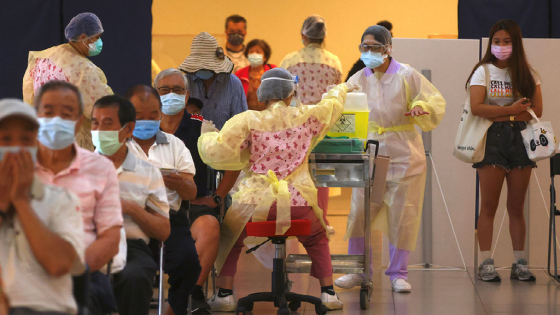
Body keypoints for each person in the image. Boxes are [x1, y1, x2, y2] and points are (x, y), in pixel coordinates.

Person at [199, 68, 358, 311]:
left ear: (263, 94)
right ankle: (328, 293)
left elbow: (219, 151)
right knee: (317, 237)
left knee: (231, 237)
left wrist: (207, 134)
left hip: (255, 205)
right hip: (298, 205)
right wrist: (343, 88)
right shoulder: (307, 116)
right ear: (291, 93)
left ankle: (224, 294)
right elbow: (332, 105)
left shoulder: (248, 120)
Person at [335, 25, 446, 293]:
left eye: (375, 47)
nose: (369, 52)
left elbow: (435, 100)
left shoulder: (407, 75)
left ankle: (398, 273)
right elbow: (336, 101)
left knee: (402, 213)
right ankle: (358, 270)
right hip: (370, 152)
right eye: (365, 47)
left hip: (403, 154)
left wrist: (422, 107)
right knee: (360, 211)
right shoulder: (358, 78)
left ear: (388, 49)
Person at [33, 81, 123, 315]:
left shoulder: (101, 168)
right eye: (49, 112)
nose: (56, 119)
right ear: (35, 116)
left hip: (82, 273)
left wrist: (75, 269)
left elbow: (111, 238)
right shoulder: (15, 165)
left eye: (66, 113)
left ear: (78, 122)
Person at [153, 69, 237, 314]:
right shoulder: (142, 128)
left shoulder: (202, 128)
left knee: (210, 225)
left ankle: (192, 292)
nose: (171, 94)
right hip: (149, 207)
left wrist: (218, 196)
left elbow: (234, 161)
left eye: (178, 90)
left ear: (187, 94)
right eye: (164, 90)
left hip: (191, 206)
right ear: (155, 94)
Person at [466, 20, 542, 282]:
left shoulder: (527, 72)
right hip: (492, 138)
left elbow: (537, 111)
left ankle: (519, 263)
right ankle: (486, 262)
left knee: (517, 206)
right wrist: (511, 109)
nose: (500, 46)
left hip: (521, 137)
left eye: (506, 41)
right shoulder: (483, 71)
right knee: (488, 204)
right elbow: (477, 108)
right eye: (496, 41)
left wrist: (501, 111)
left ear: (516, 43)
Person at [0, 98, 85, 315]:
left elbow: (58, 264)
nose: (16, 149)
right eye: (6, 139)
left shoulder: (61, 200)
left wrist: (20, 201)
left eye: (26, 139)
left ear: (37, 146)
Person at [91, 95, 171, 315]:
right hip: (89, 241)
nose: (99, 130)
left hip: (132, 245)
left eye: (107, 124)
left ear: (128, 129)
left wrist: (131, 208)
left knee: (134, 277)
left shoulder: (148, 171)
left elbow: (163, 231)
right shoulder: (81, 168)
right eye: (95, 123)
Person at [126, 85, 202, 315]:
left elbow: (191, 192)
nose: (147, 121)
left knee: (190, 264)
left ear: (160, 115)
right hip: (129, 220)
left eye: (153, 116)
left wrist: (180, 183)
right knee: (133, 273)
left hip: (169, 219)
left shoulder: (175, 144)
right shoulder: (118, 145)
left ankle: (172, 310)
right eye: (139, 117)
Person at [280, 14, 343, 234]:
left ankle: (296, 219)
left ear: (303, 36)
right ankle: (321, 221)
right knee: (321, 176)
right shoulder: (333, 61)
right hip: (324, 126)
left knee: (295, 174)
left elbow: (281, 94)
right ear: (324, 36)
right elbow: (338, 95)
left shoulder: (290, 61)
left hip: (295, 126)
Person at [23, 12, 113, 151]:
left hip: (43, 139)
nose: (99, 42)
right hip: (73, 144)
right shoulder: (83, 69)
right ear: (84, 37)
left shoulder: (41, 59)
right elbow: (105, 109)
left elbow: (29, 98)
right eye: (97, 37)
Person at [179, 32, 248, 130]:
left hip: (225, 143)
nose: (204, 69)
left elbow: (241, 124)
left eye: (208, 67)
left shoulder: (233, 84)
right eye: (201, 67)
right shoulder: (184, 84)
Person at [235, 39, 277, 111]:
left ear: (265, 57)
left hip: (269, 116)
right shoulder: (240, 74)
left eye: (258, 52)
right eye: (251, 52)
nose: (254, 54)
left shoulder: (274, 71)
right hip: (247, 116)